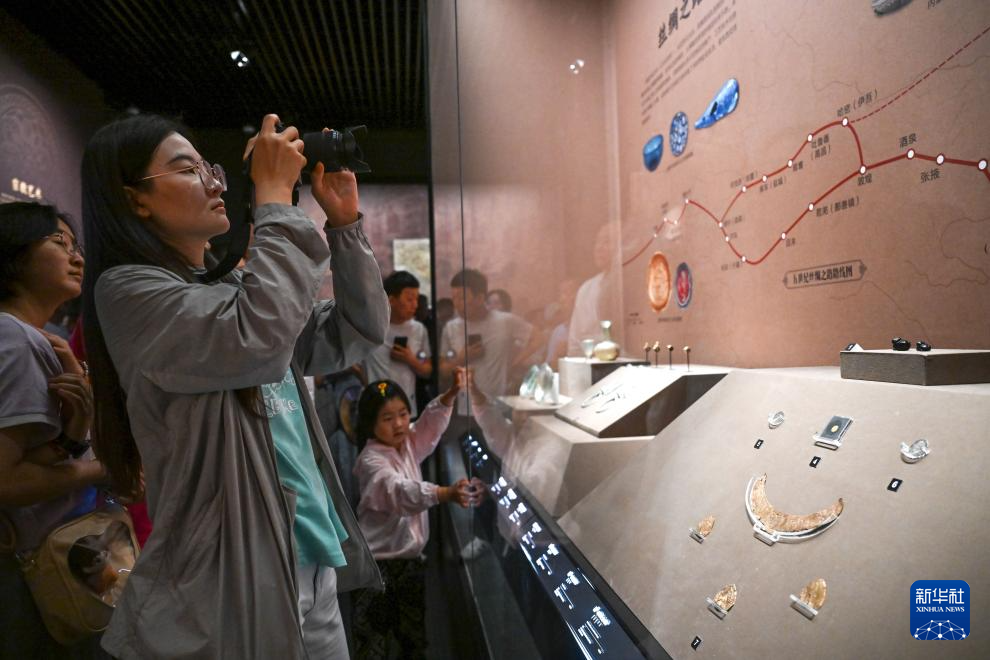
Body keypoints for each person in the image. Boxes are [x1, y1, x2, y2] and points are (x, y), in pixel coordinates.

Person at [80, 113, 388, 659]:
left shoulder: (230, 287)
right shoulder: (128, 291)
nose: (215, 182)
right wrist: (273, 199)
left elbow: (356, 333)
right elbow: (258, 338)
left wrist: (344, 225)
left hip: (311, 555)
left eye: (211, 167)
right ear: (135, 200)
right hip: (233, 579)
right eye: (188, 170)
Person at [0, 201, 108, 658]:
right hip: (26, 571)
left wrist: (73, 435)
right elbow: (7, 482)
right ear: (14, 254)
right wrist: (106, 469)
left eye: (76, 245)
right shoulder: (15, 338)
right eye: (59, 242)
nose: (76, 257)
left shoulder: (34, 338)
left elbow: (25, 459)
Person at [351, 374, 480, 659]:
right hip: (377, 568)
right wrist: (443, 493)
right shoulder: (372, 461)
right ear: (370, 423)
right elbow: (399, 492)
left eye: (402, 413)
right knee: (374, 644)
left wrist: (450, 394)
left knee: (413, 639)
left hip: (408, 563)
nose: (399, 424)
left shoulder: (406, 444)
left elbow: (428, 425)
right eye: (387, 418)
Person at [439, 269, 535, 414]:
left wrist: (515, 363)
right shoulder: (451, 328)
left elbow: (538, 338)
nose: (457, 304)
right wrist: (461, 358)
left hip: (499, 405)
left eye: (462, 298)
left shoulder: (504, 321)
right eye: (454, 298)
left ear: (479, 298)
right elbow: (443, 371)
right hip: (466, 408)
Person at [360, 271, 432, 415]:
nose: (415, 305)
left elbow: (428, 371)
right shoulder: (370, 327)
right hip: (375, 409)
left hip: (406, 409)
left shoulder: (418, 329)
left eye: (417, 299)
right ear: (391, 300)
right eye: (409, 299)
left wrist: (410, 360)